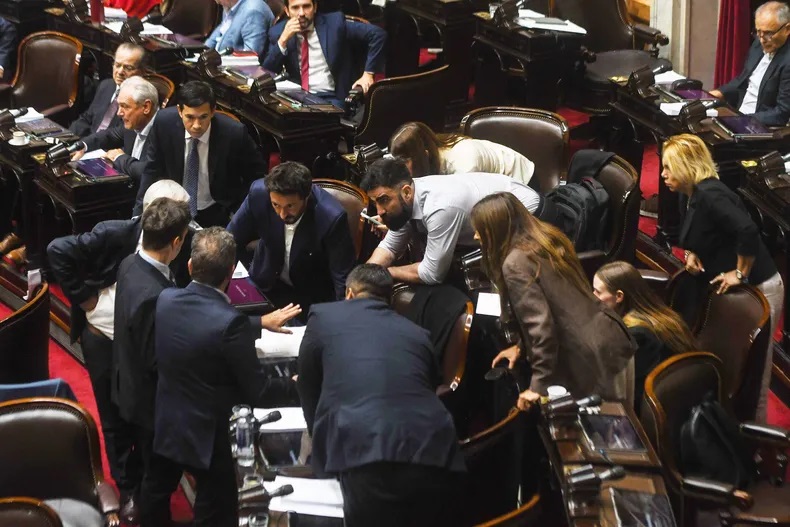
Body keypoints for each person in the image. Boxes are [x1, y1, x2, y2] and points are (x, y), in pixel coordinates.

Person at [46, 180, 192, 525]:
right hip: (104, 338)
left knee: (141, 413)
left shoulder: (181, 237)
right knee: (113, 418)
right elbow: (56, 250)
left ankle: (146, 483)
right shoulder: (114, 232)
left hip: (142, 341)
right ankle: (127, 489)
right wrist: (86, 299)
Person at [143, 227, 297, 527]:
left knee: (155, 493)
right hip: (208, 439)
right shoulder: (231, 324)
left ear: (190, 266)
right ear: (231, 271)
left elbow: (203, 324)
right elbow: (259, 391)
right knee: (213, 512)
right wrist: (293, 386)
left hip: (168, 421)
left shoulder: (166, 300)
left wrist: (257, 323)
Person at [297, 264, 465, 526]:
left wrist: (320, 453)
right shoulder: (419, 335)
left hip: (366, 448)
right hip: (437, 449)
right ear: (389, 300)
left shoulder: (323, 316)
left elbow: (308, 386)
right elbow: (427, 387)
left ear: (349, 294)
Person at [662, 133, 784, 422]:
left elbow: (747, 230)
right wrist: (691, 253)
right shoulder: (688, 194)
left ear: (687, 166)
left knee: (755, 374)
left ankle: (757, 435)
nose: (663, 174)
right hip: (733, 295)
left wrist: (740, 272)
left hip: (760, 289)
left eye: (668, 167)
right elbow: (702, 231)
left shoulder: (710, 194)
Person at [476, 193, 636, 407]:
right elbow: (557, 303)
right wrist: (521, 348)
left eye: (479, 229)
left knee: (610, 426)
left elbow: (541, 327)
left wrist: (537, 387)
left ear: (494, 229)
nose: (476, 236)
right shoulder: (545, 239)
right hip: (610, 340)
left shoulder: (514, 264)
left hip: (591, 360)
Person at [112, 197, 190, 523]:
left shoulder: (130, 263)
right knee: (160, 476)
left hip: (128, 386)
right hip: (150, 405)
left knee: (148, 465)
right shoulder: (155, 295)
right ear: (177, 242)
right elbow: (155, 360)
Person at [361, 157, 547, 285]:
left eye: (383, 200)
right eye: (375, 202)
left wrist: (385, 273)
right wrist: (363, 277)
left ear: (407, 193)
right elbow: (389, 247)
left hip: (533, 219)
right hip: (500, 219)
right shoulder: (405, 196)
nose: (380, 211)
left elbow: (432, 274)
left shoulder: (439, 208)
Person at [227, 161, 355, 312]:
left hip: (307, 296)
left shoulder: (331, 218)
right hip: (264, 280)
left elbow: (342, 278)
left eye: (290, 206)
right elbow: (230, 239)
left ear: (306, 196)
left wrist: (340, 316)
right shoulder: (258, 194)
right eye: (276, 205)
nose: (282, 214)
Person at [135, 80, 268, 225]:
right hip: (172, 207)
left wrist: (241, 214)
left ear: (213, 111)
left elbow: (256, 175)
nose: (197, 125)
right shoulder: (164, 123)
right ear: (179, 111)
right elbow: (151, 170)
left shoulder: (233, 133)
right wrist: (138, 217)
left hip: (217, 210)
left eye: (203, 117)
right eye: (190, 117)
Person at [593, 261, 697, 410]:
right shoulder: (659, 313)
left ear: (619, 296)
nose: (593, 296)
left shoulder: (636, 334)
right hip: (679, 398)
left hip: (654, 408)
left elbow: (625, 389)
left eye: (598, 292)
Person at [261, 0, 386, 109]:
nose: (301, 13)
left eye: (306, 6)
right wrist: (283, 40)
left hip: (331, 99)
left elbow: (378, 35)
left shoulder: (334, 24)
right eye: (295, 8)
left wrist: (368, 74)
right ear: (287, 11)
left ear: (315, 7)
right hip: (296, 99)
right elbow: (267, 73)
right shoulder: (278, 32)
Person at [709, 1, 790, 126]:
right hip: (739, 115)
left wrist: (741, 119)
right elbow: (742, 80)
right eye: (758, 32)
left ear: (787, 29)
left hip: (760, 127)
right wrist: (718, 93)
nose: (762, 40)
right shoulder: (758, 43)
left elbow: (781, 113)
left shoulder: (787, 61)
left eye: (769, 33)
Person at [389, 121, 536, 186]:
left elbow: (466, 211)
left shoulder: (463, 164)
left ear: (424, 156)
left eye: (403, 162)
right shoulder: (433, 154)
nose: (398, 169)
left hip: (523, 184)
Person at [75, 76, 159, 182]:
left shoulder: (162, 131)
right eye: (119, 106)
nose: (119, 113)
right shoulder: (134, 123)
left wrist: (118, 157)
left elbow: (147, 172)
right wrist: (82, 146)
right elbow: (109, 135)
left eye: (125, 106)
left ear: (146, 107)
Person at [69, 43, 147, 137]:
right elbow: (87, 118)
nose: (120, 72)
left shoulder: (140, 101)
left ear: (142, 72)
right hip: (88, 141)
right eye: (117, 65)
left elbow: (120, 137)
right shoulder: (106, 85)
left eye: (128, 68)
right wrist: (68, 136)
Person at [205, 0, 274, 55]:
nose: (216, 2)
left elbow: (250, 56)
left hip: (233, 65)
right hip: (219, 60)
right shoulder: (229, 5)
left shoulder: (253, 11)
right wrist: (203, 51)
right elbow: (221, 31)